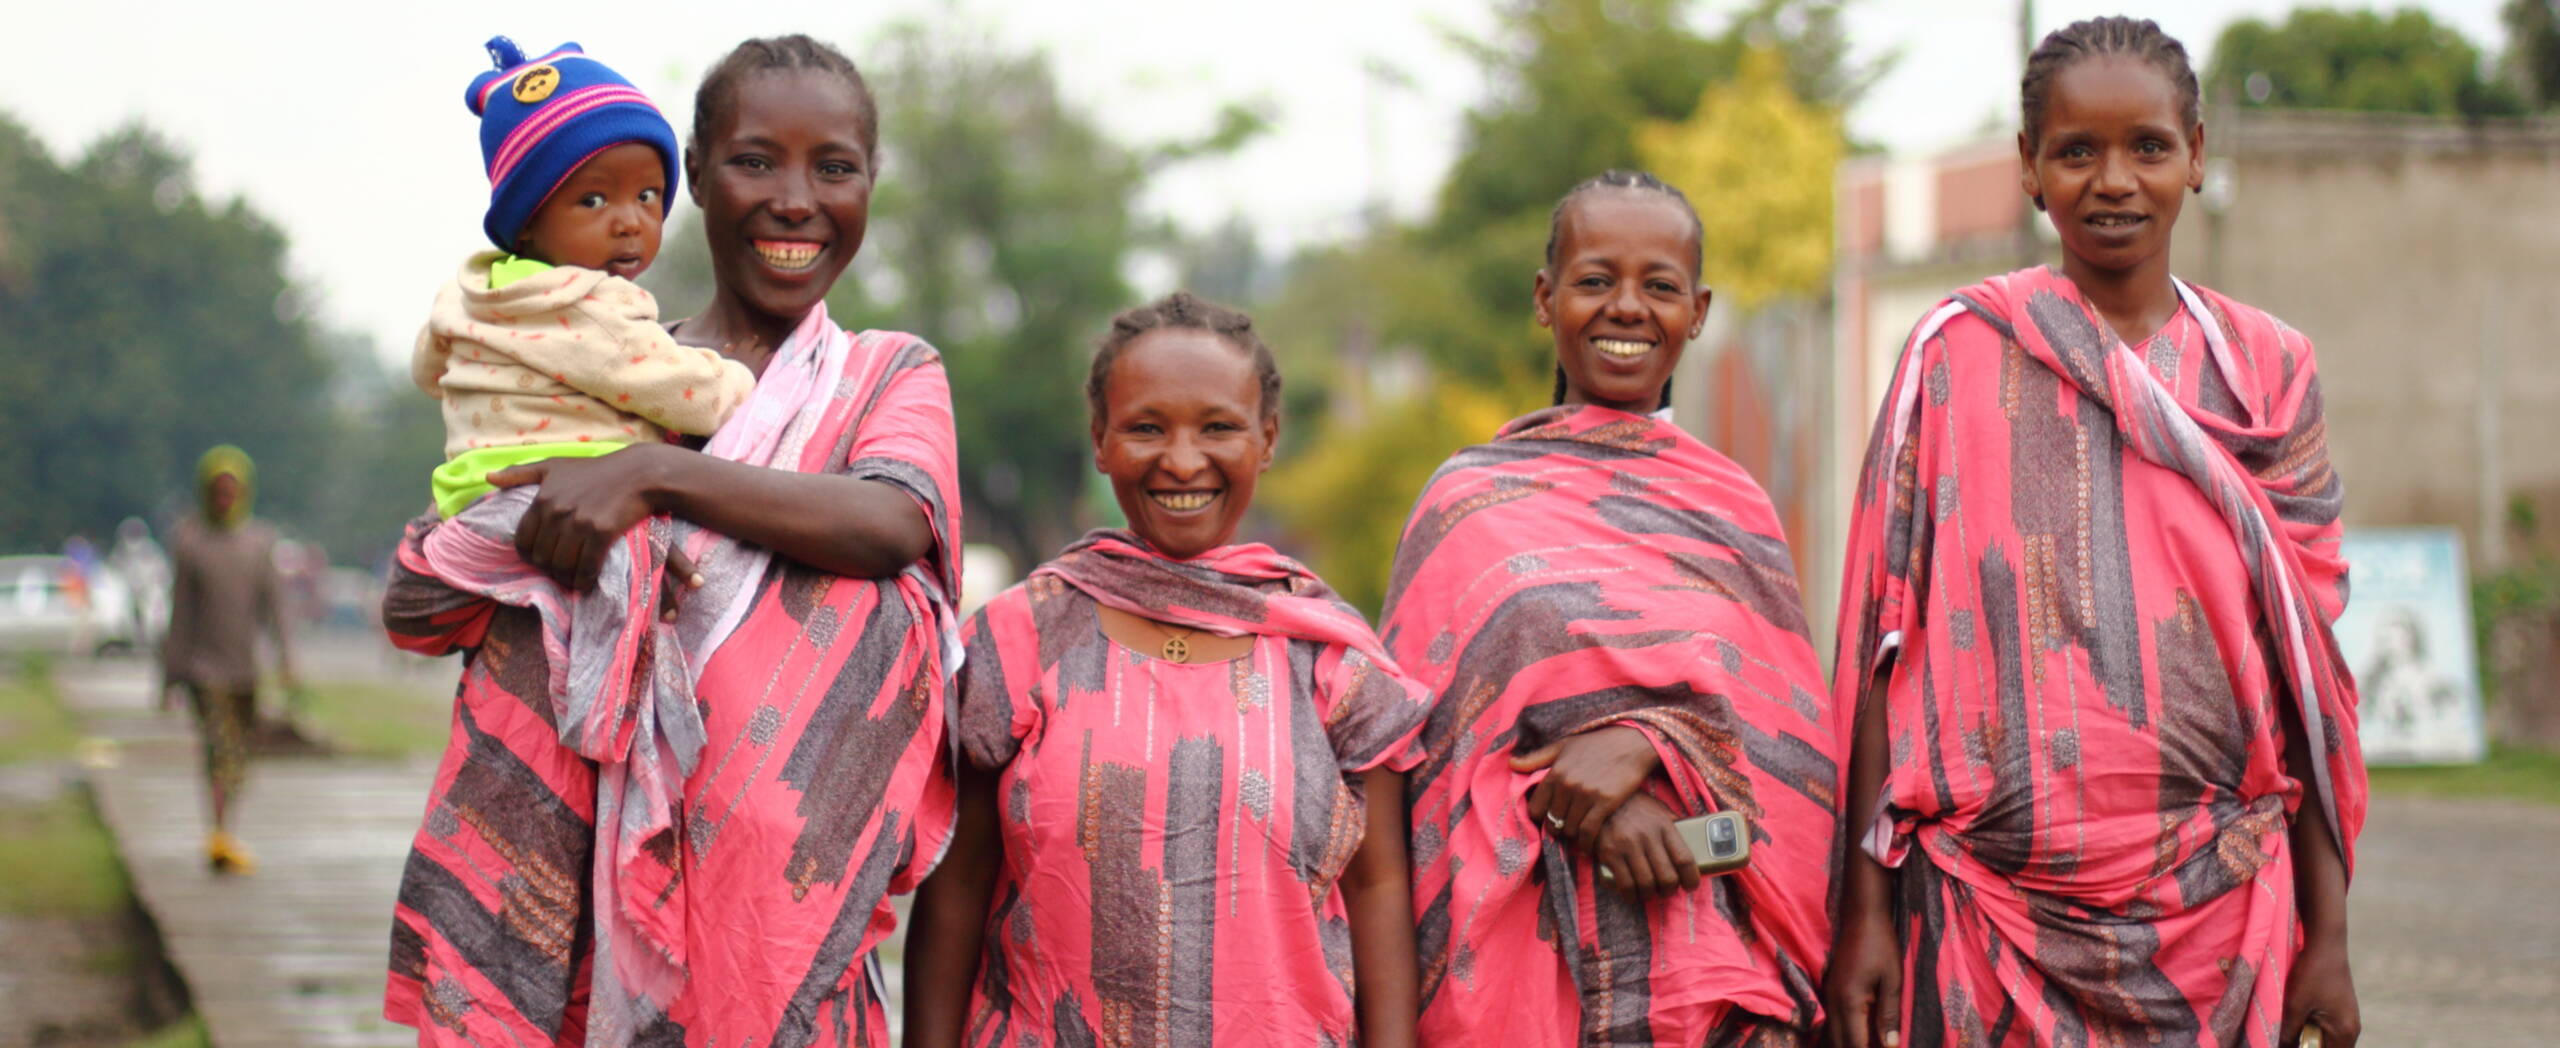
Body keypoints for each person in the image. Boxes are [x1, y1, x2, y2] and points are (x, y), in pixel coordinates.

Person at [378, 35, 963, 1047]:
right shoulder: (588, 374)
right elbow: (442, 583)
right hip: (583, 927)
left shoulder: (885, 376)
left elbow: (892, 523)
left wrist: (652, 476)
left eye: (835, 167)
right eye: (754, 161)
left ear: (870, 184)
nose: (794, 199)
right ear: (692, 178)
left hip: (794, 944)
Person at [1822, 18, 2364, 1048]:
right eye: (2076, 151)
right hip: (1983, 919)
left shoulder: (2265, 374)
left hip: (2223, 920)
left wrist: (2327, 930)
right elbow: (1877, 651)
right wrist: (1862, 914)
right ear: (2028, 169)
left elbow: (2310, 677)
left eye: (2148, 147)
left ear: (2196, 156)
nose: (2113, 180)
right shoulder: (1951, 358)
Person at [1381, 170, 1841, 1047]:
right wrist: (1567, 799)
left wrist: (1647, 744)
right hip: (1521, 993)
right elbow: (1416, 765)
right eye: (1595, 281)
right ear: (1546, 298)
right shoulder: (1466, 506)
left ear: (1697, 311)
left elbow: (1794, 766)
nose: (1626, 308)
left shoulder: (1734, 509)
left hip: (1719, 997)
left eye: (1659, 287)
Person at [902, 292, 1430, 1048]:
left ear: (1267, 438)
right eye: (1147, 428)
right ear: (1100, 440)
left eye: (1218, 428)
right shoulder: (1022, 640)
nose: (1183, 461)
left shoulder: (1334, 663)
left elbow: (1377, 887)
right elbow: (956, 888)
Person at [162, 445, 298, 874]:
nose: (224, 500)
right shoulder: (191, 544)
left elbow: (275, 607)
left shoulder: (259, 544)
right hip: (204, 670)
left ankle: (225, 830)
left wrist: (286, 659)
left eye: (230, 492)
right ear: (205, 493)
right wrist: (169, 675)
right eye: (216, 492)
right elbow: (179, 614)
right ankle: (218, 834)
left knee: (239, 755)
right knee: (220, 750)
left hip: (244, 669)